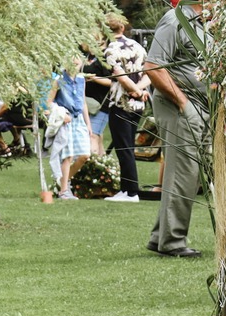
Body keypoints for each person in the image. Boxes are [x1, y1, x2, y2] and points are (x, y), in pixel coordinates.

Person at [145, 0, 214, 257]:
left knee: (190, 173)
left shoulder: (204, 23)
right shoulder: (175, 20)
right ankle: (172, 243)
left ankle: (160, 236)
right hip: (179, 106)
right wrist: (183, 103)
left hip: (198, 104)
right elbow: (153, 66)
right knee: (183, 173)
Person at [93, 13, 150, 201]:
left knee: (123, 147)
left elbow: (120, 76)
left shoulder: (109, 50)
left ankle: (131, 191)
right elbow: (150, 71)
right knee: (128, 145)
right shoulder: (137, 46)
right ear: (123, 28)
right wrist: (140, 91)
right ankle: (126, 189)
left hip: (121, 103)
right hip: (138, 104)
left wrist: (133, 90)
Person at [45, 57, 94, 200]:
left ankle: (63, 183)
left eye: (77, 58)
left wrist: (88, 123)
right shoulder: (59, 79)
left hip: (78, 120)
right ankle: (64, 191)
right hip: (65, 120)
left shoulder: (81, 79)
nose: (74, 61)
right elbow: (49, 102)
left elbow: (83, 101)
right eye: (71, 58)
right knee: (68, 156)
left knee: (85, 155)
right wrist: (61, 113)